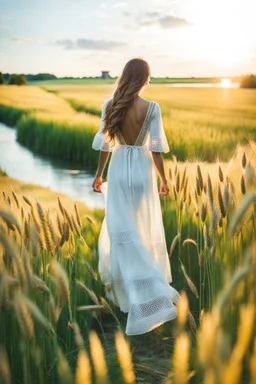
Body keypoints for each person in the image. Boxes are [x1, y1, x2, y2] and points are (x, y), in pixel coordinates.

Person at [91, 58, 180, 336]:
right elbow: (155, 149)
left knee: (122, 232)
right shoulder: (152, 108)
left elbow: (106, 145)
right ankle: (152, 290)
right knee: (140, 230)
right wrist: (164, 179)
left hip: (118, 172)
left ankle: (131, 298)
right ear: (143, 79)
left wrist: (98, 175)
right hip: (142, 173)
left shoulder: (110, 105)